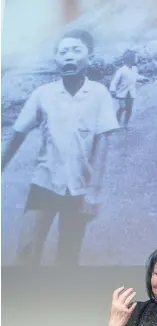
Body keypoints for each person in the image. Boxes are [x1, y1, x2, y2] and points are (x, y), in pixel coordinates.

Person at [1, 29, 120, 267]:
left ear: (89, 56)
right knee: (26, 250)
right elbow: (17, 135)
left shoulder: (99, 94)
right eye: (63, 51)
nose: (69, 56)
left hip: (79, 190)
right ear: (56, 59)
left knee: (68, 256)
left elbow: (102, 146)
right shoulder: (42, 94)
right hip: (44, 183)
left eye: (76, 50)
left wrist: (94, 194)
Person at [110, 50, 149, 127]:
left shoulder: (134, 69)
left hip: (131, 93)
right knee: (122, 107)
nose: (136, 59)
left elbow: (136, 77)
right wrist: (112, 90)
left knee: (129, 109)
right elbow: (114, 81)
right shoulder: (121, 70)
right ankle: (116, 123)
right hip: (122, 93)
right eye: (135, 57)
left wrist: (143, 78)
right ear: (130, 59)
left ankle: (125, 124)